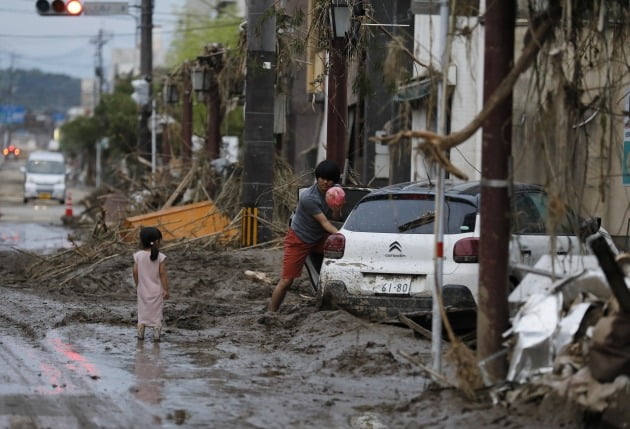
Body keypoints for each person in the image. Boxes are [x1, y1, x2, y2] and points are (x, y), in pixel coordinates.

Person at [269, 160, 344, 312]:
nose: (325, 182)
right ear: (317, 177)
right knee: (286, 281)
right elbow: (324, 223)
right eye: (322, 178)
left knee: (343, 253)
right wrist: (343, 236)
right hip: (299, 239)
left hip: (318, 238)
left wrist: (337, 208)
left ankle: (336, 301)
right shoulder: (308, 198)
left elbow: (336, 217)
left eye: (329, 179)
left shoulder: (336, 192)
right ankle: (271, 312)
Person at [133, 226, 170, 341]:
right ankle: (156, 338)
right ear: (157, 241)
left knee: (142, 314)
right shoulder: (160, 257)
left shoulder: (138, 256)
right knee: (156, 317)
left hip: (142, 291)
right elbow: (162, 274)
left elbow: (135, 271)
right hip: (156, 292)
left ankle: (140, 336)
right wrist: (165, 289)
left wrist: (137, 284)